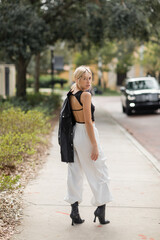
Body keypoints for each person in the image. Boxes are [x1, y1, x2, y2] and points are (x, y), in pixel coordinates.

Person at [63, 65, 112, 225]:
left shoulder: (72, 91)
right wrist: (95, 145)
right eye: (84, 78)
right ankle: (101, 210)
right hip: (85, 133)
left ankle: (74, 211)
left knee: (75, 172)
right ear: (77, 79)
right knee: (100, 170)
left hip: (74, 133)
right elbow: (89, 123)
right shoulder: (85, 95)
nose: (88, 81)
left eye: (90, 78)